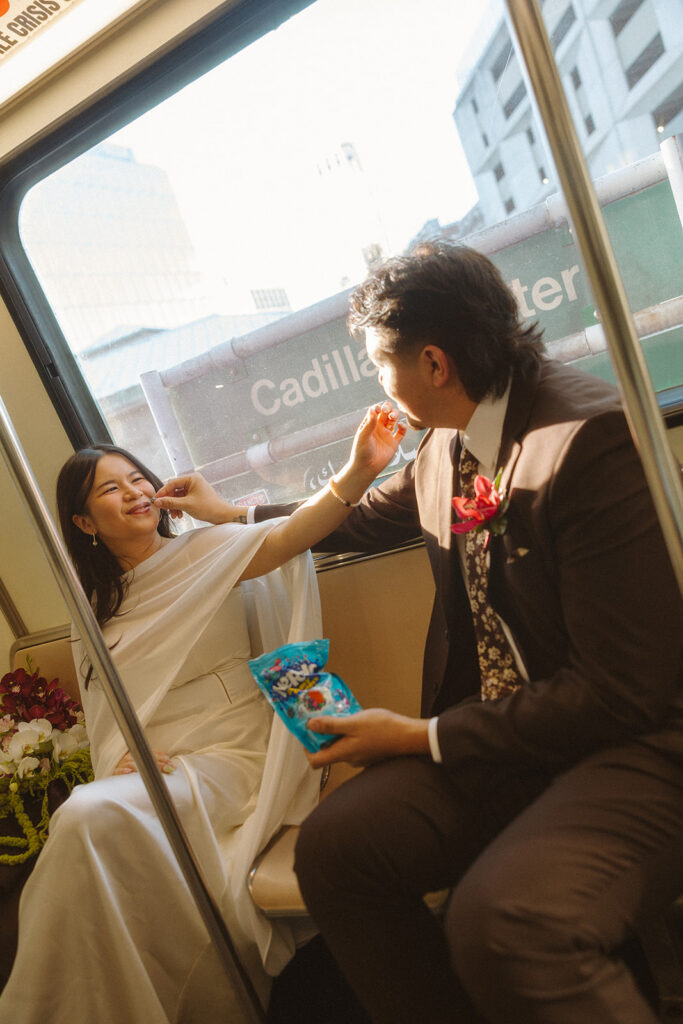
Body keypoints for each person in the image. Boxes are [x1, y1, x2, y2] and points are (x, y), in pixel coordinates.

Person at [164, 242, 683, 1024]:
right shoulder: (446, 443)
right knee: (335, 849)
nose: (380, 384)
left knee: (502, 920)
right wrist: (232, 515)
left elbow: (622, 690)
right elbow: (358, 521)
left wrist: (416, 737)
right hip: (505, 739)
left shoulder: (584, 440)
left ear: (433, 363)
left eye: (381, 366)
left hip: (630, 743)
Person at [0, 404, 405, 1024]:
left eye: (138, 478)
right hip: (156, 767)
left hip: (229, 755)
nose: (136, 491)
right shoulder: (93, 609)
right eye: (112, 489)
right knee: (89, 828)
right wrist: (118, 756)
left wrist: (359, 469)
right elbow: (108, 714)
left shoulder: (207, 550)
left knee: (81, 815)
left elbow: (295, 532)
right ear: (83, 522)